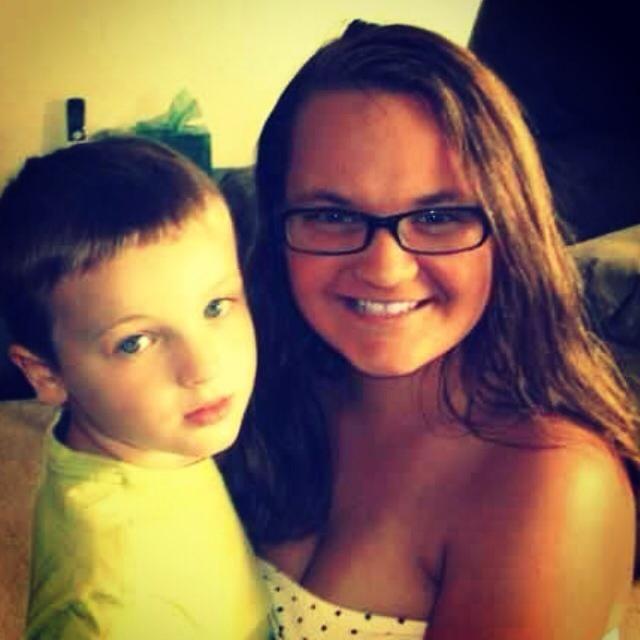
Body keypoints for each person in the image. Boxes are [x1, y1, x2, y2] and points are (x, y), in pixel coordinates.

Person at [222, 20, 640, 640]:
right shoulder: (259, 398)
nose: (385, 269)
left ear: (510, 225)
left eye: (440, 215)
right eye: (331, 214)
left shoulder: (551, 481)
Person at [0, 137, 270, 639]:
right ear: (46, 375)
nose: (203, 368)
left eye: (215, 307)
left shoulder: (147, 435)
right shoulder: (111, 607)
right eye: (135, 342)